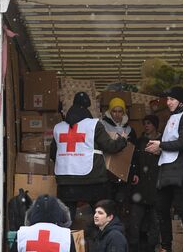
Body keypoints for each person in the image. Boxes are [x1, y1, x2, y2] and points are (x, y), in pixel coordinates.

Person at [145, 86, 183, 252]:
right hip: (168, 167)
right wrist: (158, 149)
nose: (168, 102)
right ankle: (166, 250)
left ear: (180, 100)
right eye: (167, 99)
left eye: (171, 99)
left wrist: (160, 145)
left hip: (181, 168)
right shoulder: (174, 116)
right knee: (161, 208)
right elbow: (172, 142)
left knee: (182, 208)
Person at [51, 92, 128, 221]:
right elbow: (111, 147)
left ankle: (68, 239)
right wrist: (123, 140)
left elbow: (53, 154)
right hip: (92, 180)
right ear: (88, 107)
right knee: (102, 217)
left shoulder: (59, 128)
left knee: (65, 220)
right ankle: (99, 239)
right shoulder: (94, 125)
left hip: (66, 182)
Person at [128, 115, 162, 252]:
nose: (146, 126)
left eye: (149, 123)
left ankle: (150, 249)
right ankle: (134, 249)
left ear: (155, 125)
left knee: (155, 221)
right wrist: (134, 173)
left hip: (156, 185)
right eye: (144, 123)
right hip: (141, 186)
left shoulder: (162, 142)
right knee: (136, 220)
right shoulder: (140, 141)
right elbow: (133, 160)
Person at [100, 97, 137, 212]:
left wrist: (135, 172)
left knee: (122, 205)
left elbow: (134, 153)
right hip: (106, 174)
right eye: (114, 111)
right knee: (107, 205)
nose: (117, 114)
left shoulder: (130, 131)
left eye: (120, 111)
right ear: (110, 112)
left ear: (124, 112)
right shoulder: (102, 127)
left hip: (124, 174)